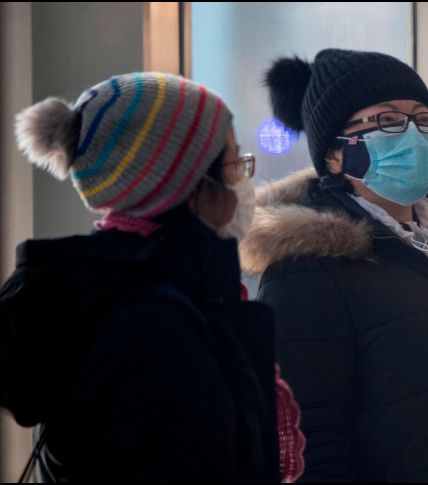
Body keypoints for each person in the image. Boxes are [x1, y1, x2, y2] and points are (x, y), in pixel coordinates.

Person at [239, 48, 428, 482]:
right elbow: (311, 446)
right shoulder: (307, 271)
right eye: (386, 120)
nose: (413, 133)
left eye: (423, 119)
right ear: (335, 154)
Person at [0, 72, 280, 482]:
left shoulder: (111, 295)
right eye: (234, 165)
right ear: (188, 186)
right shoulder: (152, 326)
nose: (243, 182)